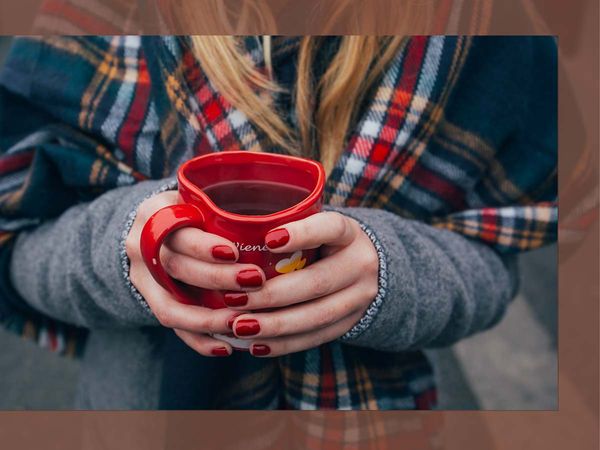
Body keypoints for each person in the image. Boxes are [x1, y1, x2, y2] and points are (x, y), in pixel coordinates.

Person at [0, 36, 557, 409]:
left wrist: (392, 275)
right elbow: (17, 250)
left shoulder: (482, 40)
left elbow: (492, 260)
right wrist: (128, 245)